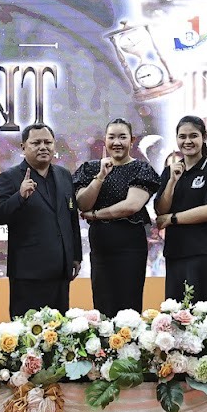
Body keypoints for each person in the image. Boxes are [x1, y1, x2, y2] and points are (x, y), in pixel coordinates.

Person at [0, 123, 82, 318]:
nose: (43, 147)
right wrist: (19, 196)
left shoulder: (64, 175)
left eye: (48, 142)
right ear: (23, 147)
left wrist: (75, 256)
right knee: (27, 331)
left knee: (59, 329)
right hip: (28, 273)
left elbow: (71, 218)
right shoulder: (10, 177)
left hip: (60, 271)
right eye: (36, 143)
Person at [74, 118, 159, 314]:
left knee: (129, 305)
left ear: (132, 140)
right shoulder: (90, 169)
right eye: (112, 137)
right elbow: (83, 204)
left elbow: (131, 206)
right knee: (102, 304)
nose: (117, 142)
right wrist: (100, 177)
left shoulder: (141, 169)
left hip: (130, 247)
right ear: (105, 140)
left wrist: (96, 215)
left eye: (122, 137)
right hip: (101, 248)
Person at [153, 115, 207, 306]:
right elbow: (161, 210)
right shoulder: (170, 171)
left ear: (204, 138)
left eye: (193, 136)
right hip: (176, 252)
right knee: (176, 313)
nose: (187, 141)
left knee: (206, 313)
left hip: (204, 252)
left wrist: (173, 218)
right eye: (182, 136)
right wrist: (172, 181)